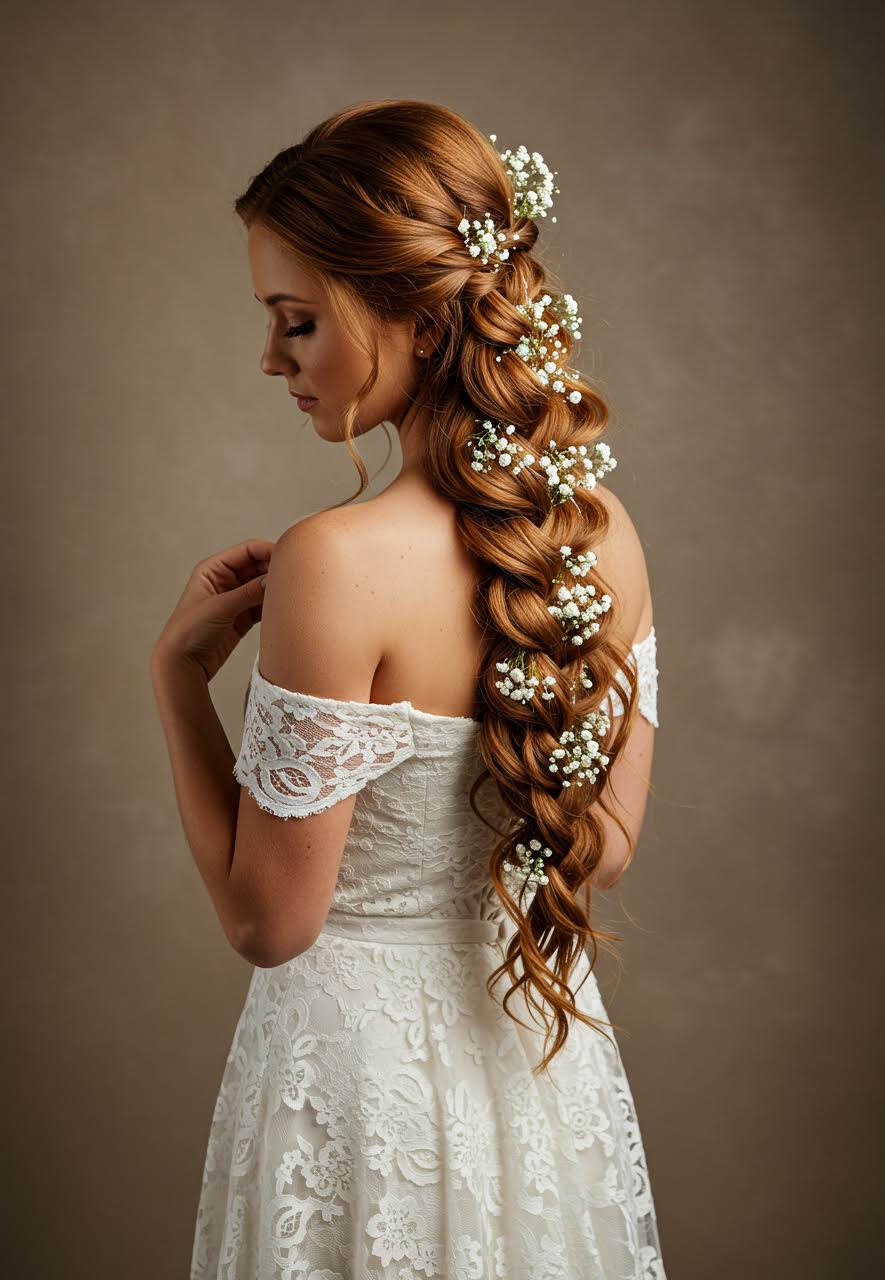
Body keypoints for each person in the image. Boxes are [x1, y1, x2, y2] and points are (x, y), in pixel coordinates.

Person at [150, 98, 666, 1279]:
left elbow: (267, 923)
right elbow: (605, 844)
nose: (269, 358)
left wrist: (177, 679)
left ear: (418, 320)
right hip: (534, 1061)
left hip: (356, 1087)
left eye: (295, 321)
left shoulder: (334, 562)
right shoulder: (594, 531)